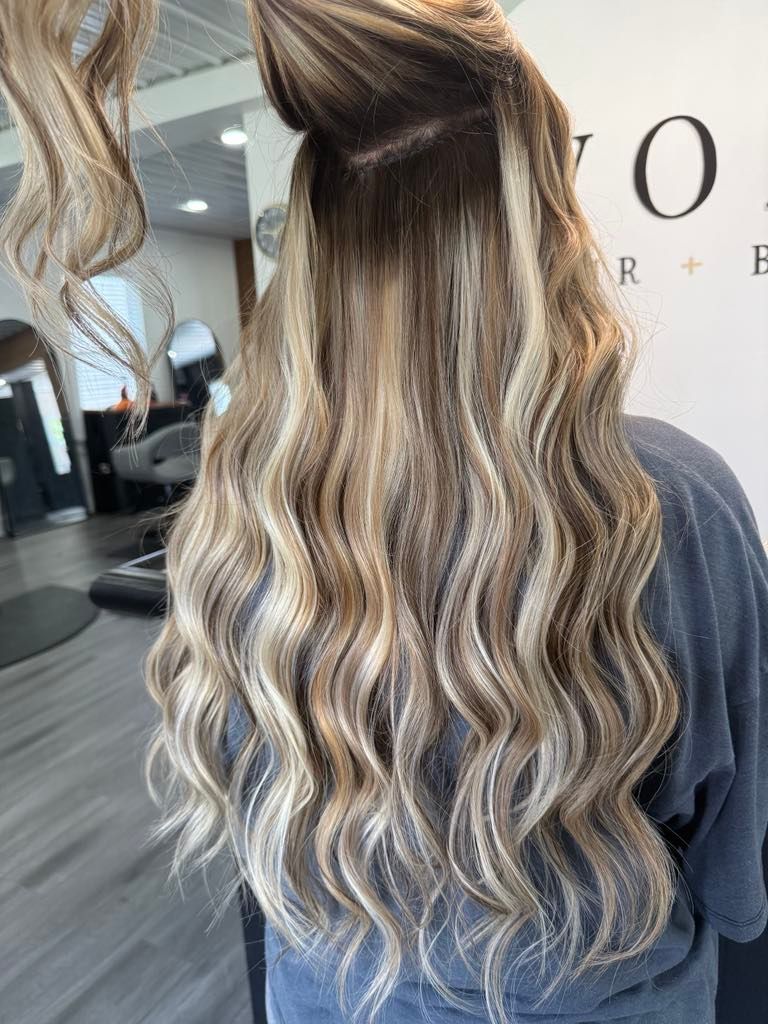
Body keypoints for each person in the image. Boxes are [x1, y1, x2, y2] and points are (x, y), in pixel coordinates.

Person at [1, 2, 767, 1023]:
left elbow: (257, 808)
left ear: (313, 250)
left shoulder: (246, 510)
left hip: (327, 993)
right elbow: (733, 874)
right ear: (544, 218)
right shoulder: (672, 502)